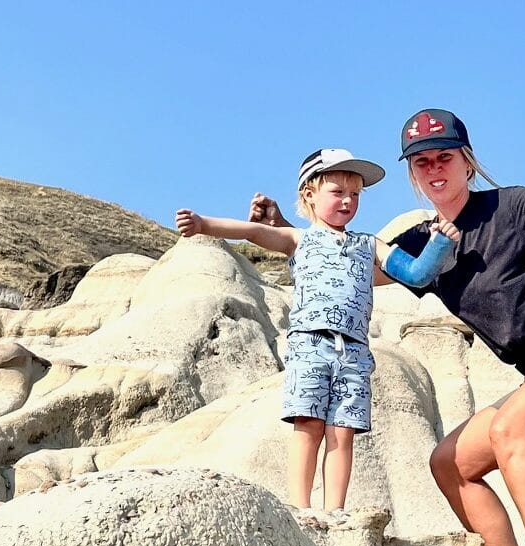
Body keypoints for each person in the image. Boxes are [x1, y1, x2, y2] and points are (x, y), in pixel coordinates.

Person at [249, 112, 525, 546]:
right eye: (422, 161)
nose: (434, 168)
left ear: (467, 162)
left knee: (512, 434)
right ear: (413, 173)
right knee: (451, 463)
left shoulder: (512, 206)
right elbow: (344, 267)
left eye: (444, 157)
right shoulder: (422, 243)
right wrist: (288, 229)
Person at [176, 148, 458, 512]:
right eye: (337, 191)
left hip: (355, 351)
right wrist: (203, 225)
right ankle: (301, 508)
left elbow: (416, 274)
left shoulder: (368, 244)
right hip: (311, 343)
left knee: (343, 432)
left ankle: (334, 512)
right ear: (309, 194)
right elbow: (252, 231)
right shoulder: (299, 240)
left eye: (355, 194)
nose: (347, 201)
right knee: (308, 424)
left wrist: (439, 244)